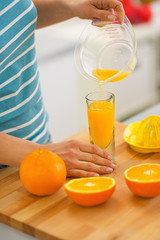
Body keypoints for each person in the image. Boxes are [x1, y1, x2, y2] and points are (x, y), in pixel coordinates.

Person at [0, 0, 124, 177]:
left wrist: (70, 6)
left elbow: (13, 15)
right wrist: (38, 154)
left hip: (41, 145)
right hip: (12, 170)